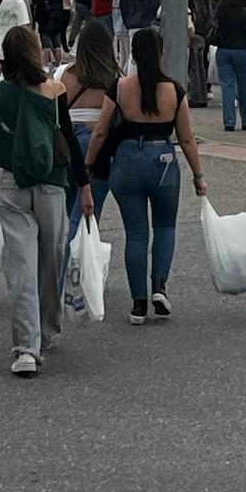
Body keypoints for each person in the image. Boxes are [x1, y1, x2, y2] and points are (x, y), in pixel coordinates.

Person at [0, 26, 89, 376]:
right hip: (52, 184)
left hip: (13, 182)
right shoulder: (55, 90)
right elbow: (69, 140)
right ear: (34, 51)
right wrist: (84, 186)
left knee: (21, 264)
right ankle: (47, 329)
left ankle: (26, 348)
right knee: (51, 259)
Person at [84, 27, 207, 325]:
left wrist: (87, 165)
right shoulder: (174, 90)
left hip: (126, 161)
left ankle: (138, 303)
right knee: (165, 226)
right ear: (161, 53)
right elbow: (187, 138)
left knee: (136, 234)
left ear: (134, 55)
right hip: (163, 161)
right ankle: (159, 288)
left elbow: (101, 130)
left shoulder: (120, 87)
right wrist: (197, 174)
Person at [211, 0, 246, 132]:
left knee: (227, 87)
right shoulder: (245, 12)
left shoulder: (221, 11)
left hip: (224, 50)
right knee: (244, 86)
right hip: (242, 51)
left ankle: (229, 121)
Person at [186, 0, 214, 108]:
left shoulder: (195, 7)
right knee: (202, 68)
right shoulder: (209, 7)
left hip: (194, 37)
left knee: (194, 69)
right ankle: (203, 94)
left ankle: (195, 96)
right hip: (203, 38)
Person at [33, 0, 69, 65]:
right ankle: (58, 64)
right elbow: (61, 10)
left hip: (45, 24)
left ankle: (46, 65)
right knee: (57, 45)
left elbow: (37, 14)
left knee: (46, 47)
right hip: (57, 24)